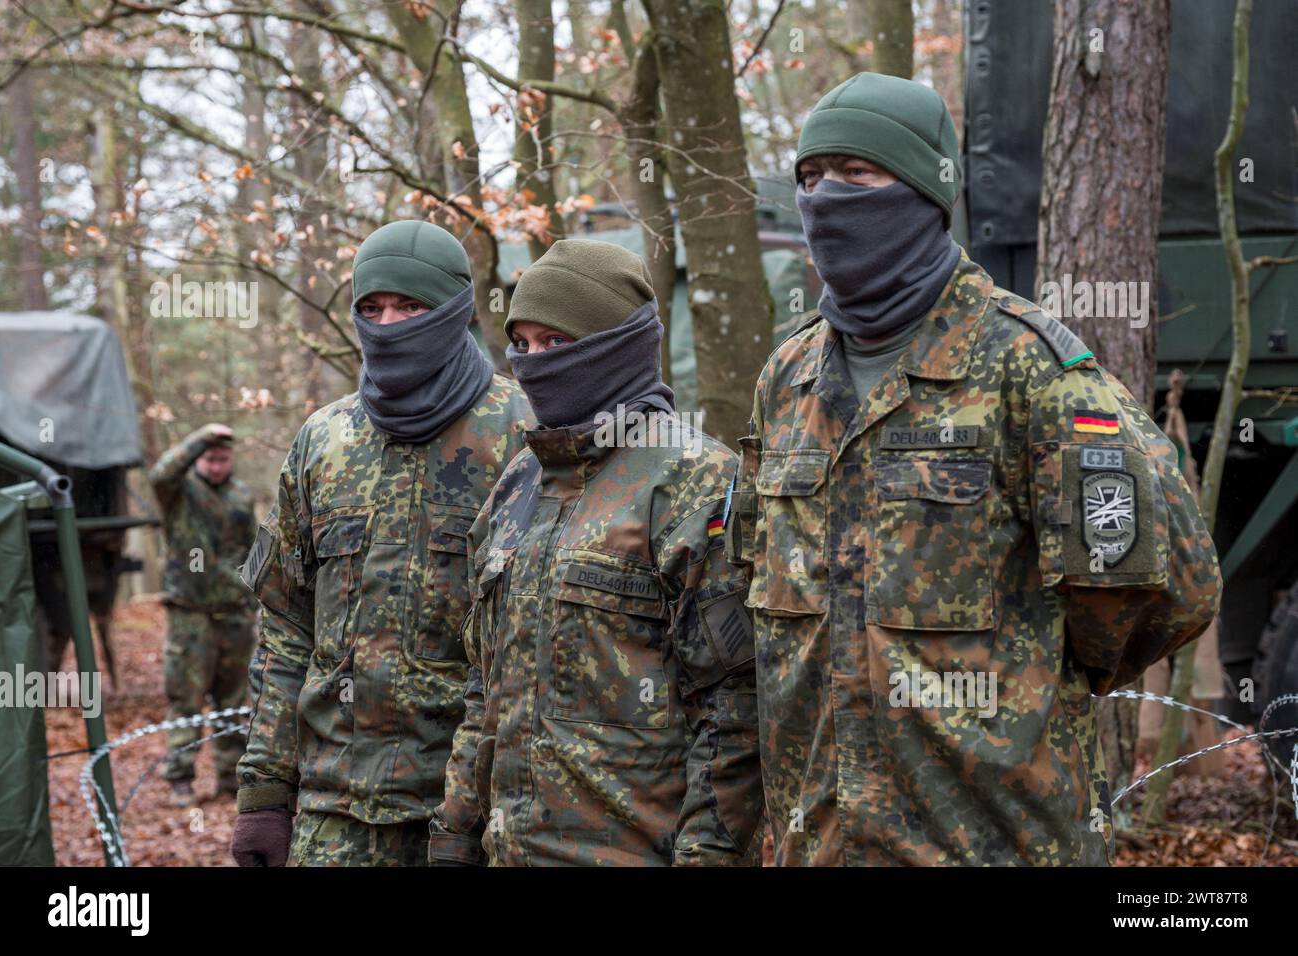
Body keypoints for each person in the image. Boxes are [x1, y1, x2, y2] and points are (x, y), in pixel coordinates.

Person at [724, 72, 1223, 865]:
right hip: (818, 844)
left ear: (927, 191)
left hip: (994, 842)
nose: (826, 200)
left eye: (859, 176)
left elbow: (1169, 590)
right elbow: (750, 577)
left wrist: (1037, 684)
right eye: (812, 180)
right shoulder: (786, 380)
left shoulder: (1030, 367)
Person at [428, 239, 764, 866]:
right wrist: (455, 826)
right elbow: (486, 688)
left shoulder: (696, 481)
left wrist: (708, 856)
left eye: (556, 342)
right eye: (521, 345)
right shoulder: (519, 482)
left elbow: (734, 714)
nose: (533, 362)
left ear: (614, 343)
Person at [229, 220, 532, 866]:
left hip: (473, 816)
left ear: (453, 310)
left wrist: (478, 816)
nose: (389, 324)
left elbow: (535, 649)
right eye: (373, 308)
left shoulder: (523, 434)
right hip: (334, 812)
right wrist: (262, 790)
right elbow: (285, 627)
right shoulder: (324, 440)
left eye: (410, 306)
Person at [149, 423, 258, 807]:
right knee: (186, 697)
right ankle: (180, 778)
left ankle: (230, 778)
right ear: (198, 458)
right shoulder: (179, 491)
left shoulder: (241, 496)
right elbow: (160, 473)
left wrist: (254, 597)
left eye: (222, 459)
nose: (215, 466)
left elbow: (252, 552)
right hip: (190, 613)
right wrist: (200, 436)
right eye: (209, 459)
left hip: (233, 613)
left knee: (232, 698)